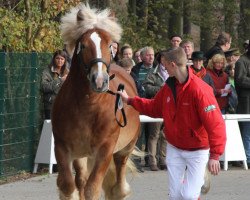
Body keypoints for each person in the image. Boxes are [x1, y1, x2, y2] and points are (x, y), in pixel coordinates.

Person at [118, 47, 226, 200]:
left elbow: (215, 124)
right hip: (174, 148)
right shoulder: (168, 87)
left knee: (188, 196)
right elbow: (154, 107)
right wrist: (129, 100)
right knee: (175, 196)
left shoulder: (200, 90)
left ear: (173, 64)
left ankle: (195, 185)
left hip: (197, 150)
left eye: (165, 65)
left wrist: (215, 155)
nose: (164, 68)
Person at [142, 51, 168, 171]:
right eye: (163, 58)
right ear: (160, 59)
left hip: (169, 107)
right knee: (154, 134)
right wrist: (161, 89)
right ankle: (152, 161)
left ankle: (163, 160)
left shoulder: (172, 71)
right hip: (156, 106)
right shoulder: (153, 73)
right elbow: (147, 88)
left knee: (165, 135)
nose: (165, 60)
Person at [41, 50, 69, 119]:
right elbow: (44, 87)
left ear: (65, 61)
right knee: (49, 128)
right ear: (54, 59)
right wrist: (60, 80)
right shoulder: (47, 71)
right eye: (57, 58)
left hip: (65, 106)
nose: (60, 61)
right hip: (51, 106)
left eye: (62, 59)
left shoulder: (67, 72)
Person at [234, 42, 250, 167]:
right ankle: (247, 158)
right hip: (246, 103)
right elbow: (239, 80)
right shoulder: (242, 61)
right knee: (247, 131)